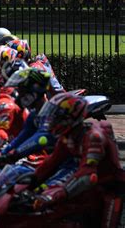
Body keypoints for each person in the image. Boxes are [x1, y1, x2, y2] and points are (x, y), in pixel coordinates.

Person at [31, 93, 125, 224]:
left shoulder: (93, 137)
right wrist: (31, 181)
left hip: (109, 189)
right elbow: (51, 163)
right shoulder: (67, 137)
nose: (53, 122)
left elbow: (88, 175)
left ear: (70, 118)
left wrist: (56, 193)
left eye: (58, 118)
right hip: (88, 190)